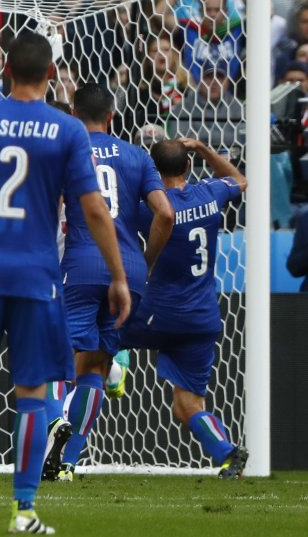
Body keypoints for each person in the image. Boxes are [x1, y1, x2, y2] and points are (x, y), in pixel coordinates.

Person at [0, 31, 131, 534]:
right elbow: (94, 211)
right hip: (39, 276)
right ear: (50, 74)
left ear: (7, 71)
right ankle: (24, 510)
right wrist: (119, 276)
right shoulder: (67, 129)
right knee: (33, 393)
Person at [42, 84, 173, 483]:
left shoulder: (67, 152)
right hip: (128, 269)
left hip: (81, 262)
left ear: (74, 114)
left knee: (56, 360)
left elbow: (50, 209)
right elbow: (165, 214)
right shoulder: (138, 155)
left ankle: (52, 426)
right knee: (97, 366)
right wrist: (144, 264)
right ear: (113, 116)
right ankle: (67, 463)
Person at [120, 138, 249, 479]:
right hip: (202, 318)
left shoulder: (148, 208)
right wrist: (205, 150)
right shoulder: (210, 194)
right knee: (186, 405)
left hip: (158, 313)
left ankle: (113, 374)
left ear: (153, 172)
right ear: (189, 167)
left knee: (98, 338)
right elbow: (240, 181)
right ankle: (228, 453)